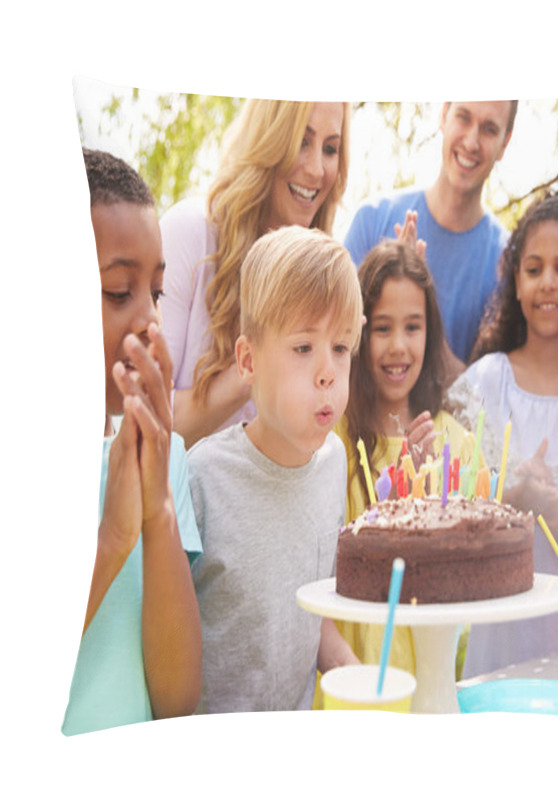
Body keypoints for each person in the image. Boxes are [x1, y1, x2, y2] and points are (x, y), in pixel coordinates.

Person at [446, 188, 558, 678]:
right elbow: (456, 521)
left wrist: (546, 512)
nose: (547, 283)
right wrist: (513, 498)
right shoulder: (484, 385)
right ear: (516, 283)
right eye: (534, 269)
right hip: (497, 637)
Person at [188, 225, 362, 713]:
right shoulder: (202, 478)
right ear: (247, 360)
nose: (327, 370)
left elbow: (311, 612)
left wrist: (358, 675)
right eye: (304, 348)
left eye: (341, 348)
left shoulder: (334, 465)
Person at [62, 149, 203, 736]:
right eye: (119, 291)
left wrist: (158, 514)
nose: (149, 319)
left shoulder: (164, 461)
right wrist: (113, 538)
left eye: (158, 292)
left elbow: (177, 700)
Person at [160, 99, 350, 449]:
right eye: (301, 142)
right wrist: (264, 359)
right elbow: (147, 423)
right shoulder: (189, 234)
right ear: (268, 138)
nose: (316, 169)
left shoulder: (318, 280)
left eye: (330, 148)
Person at [331, 239, 479, 682]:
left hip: (428, 691)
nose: (398, 346)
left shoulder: (459, 447)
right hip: (349, 688)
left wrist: (428, 503)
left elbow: (467, 596)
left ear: (430, 332)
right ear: (357, 334)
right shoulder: (332, 441)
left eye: (412, 327)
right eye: (381, 328)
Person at [344, 101, 517, 369]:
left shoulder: (508, 264)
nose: (471, 142)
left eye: (489, 129)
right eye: (463, 118)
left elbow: (481, 397)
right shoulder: (372, 220)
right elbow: (339, 351)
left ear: (505, 144)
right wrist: (387, 279)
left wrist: (423, 299)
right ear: (444, 115)